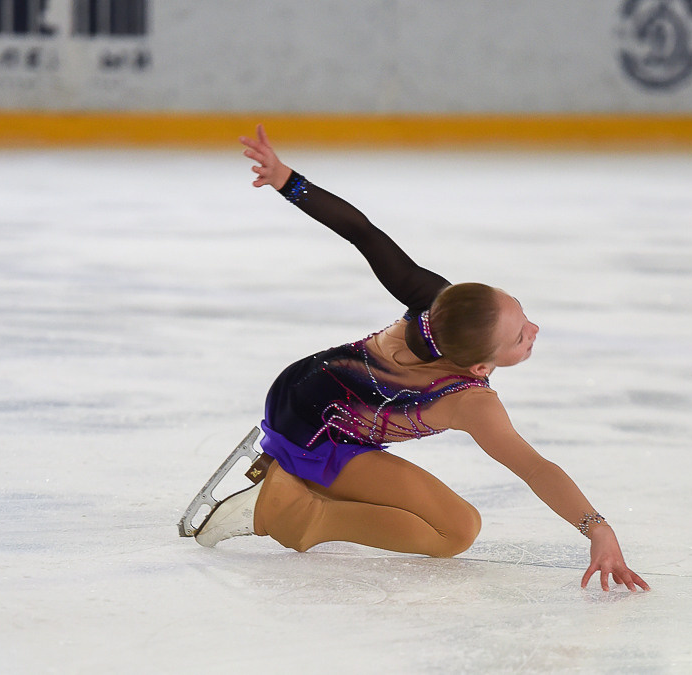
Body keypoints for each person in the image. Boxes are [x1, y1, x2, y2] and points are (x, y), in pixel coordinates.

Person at [194, 124, 649, 593]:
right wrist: (597, 527)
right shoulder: (472, 401)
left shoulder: (437, 302)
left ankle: (299, 484)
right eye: (519, 336)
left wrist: (289, 180)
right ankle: (291, 509)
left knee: (442, 518)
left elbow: (362, 232)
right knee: (456, 530)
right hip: (317, 432)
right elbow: (534, 468)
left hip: (296, 384)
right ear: (478, 368)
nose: (534, 332)